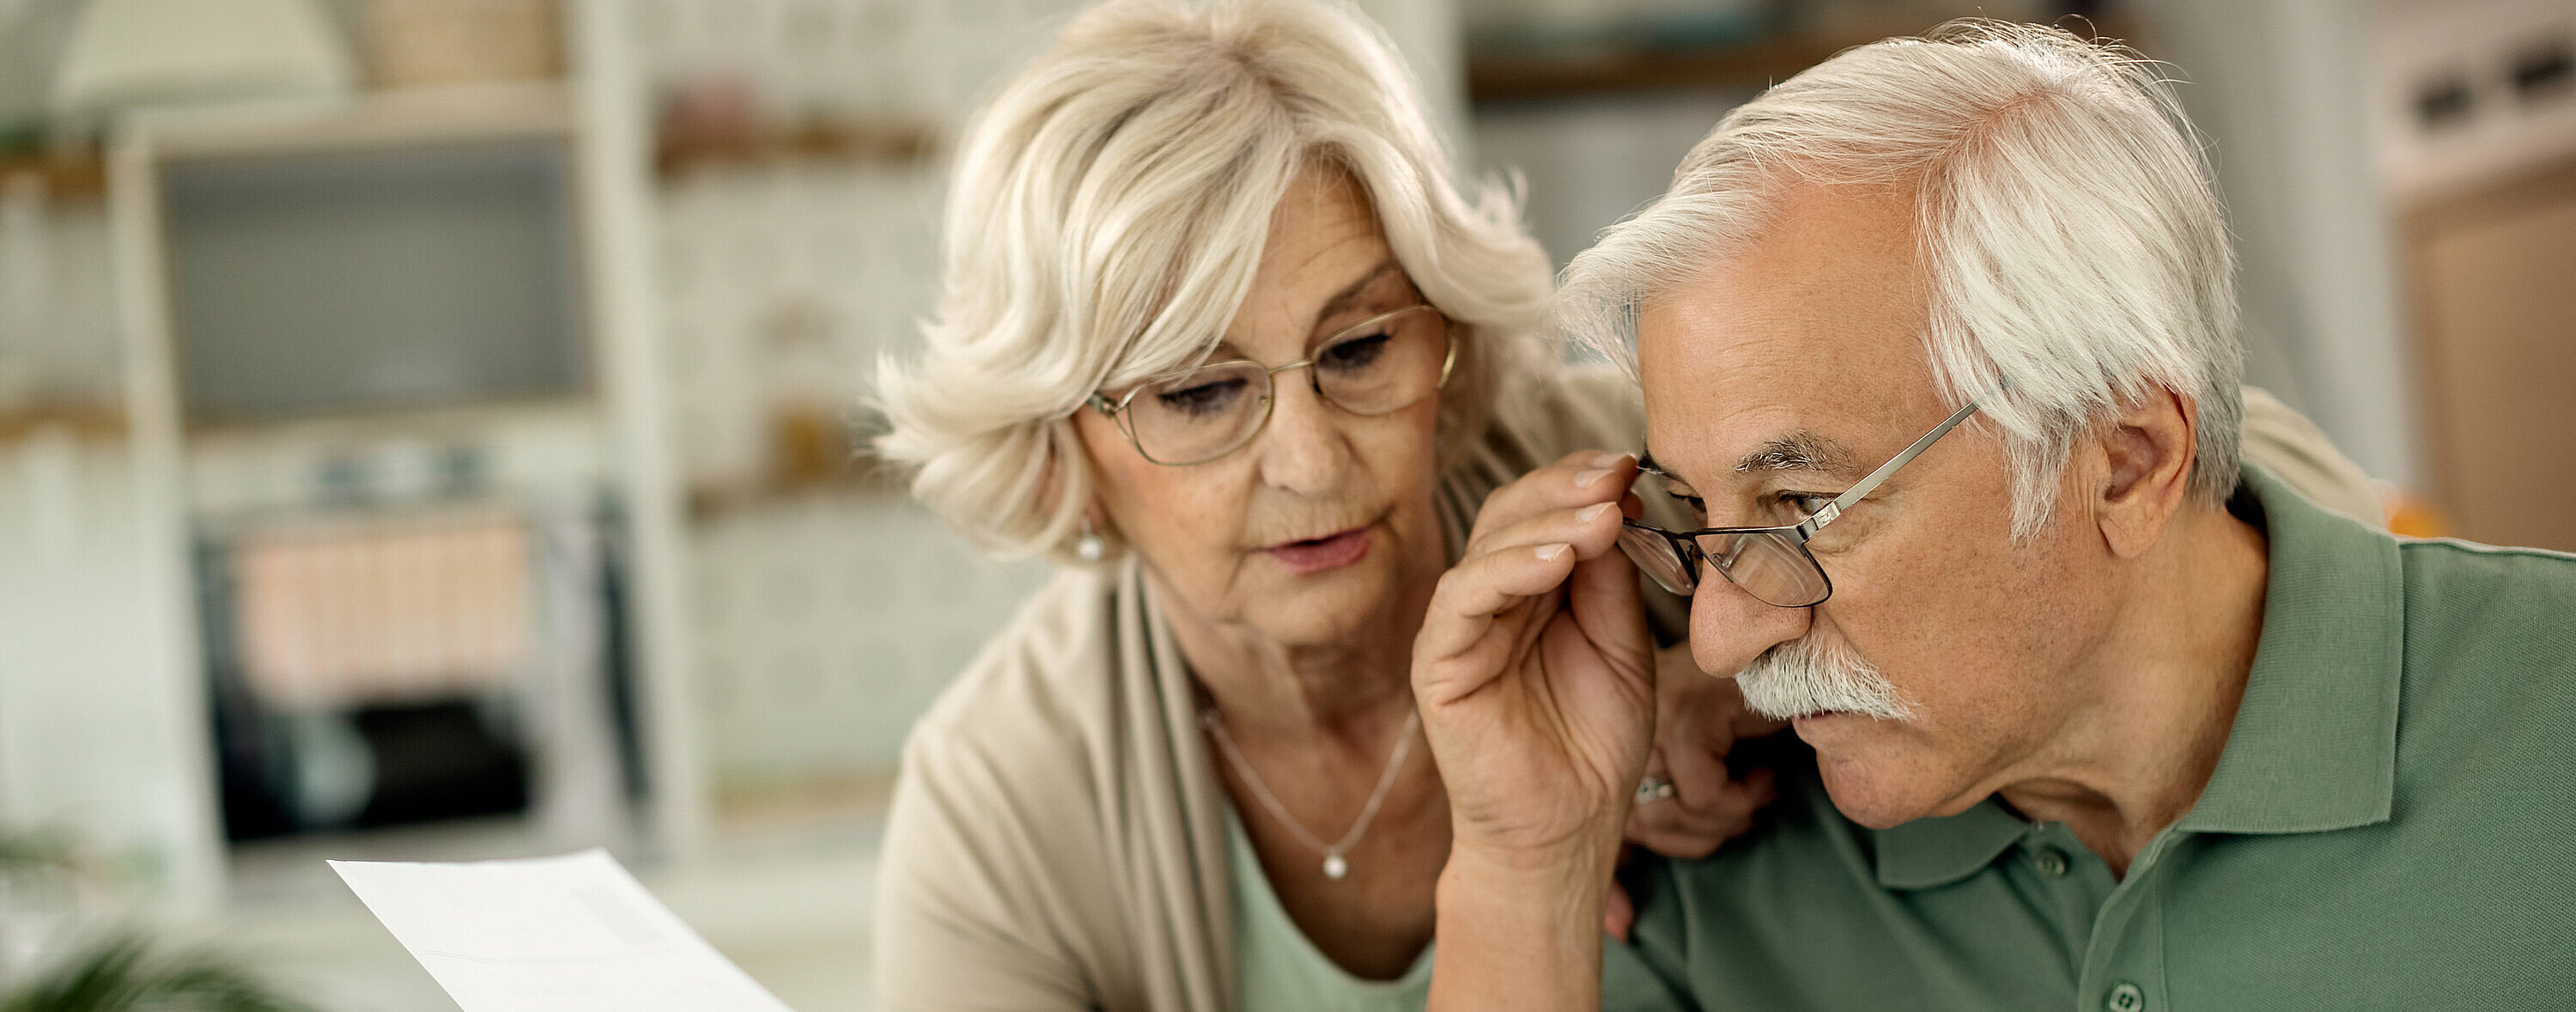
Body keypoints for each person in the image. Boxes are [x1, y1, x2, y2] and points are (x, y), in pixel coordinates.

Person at [872, 3, 2382, 1010]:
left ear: (1441, 328)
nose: (1317, 461)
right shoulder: (1007, 801)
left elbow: (2252, 499)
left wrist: (1737, 662)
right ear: (1061, 439)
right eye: (1201, 395)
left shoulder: (1644, 489)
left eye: (1357, 349)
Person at [1409, 20, 2576, 1012]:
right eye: (1697, 515)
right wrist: (1525, 863)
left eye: (1803, 506)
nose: (1716, 641)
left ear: (2126, 462)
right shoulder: (1690, 877)